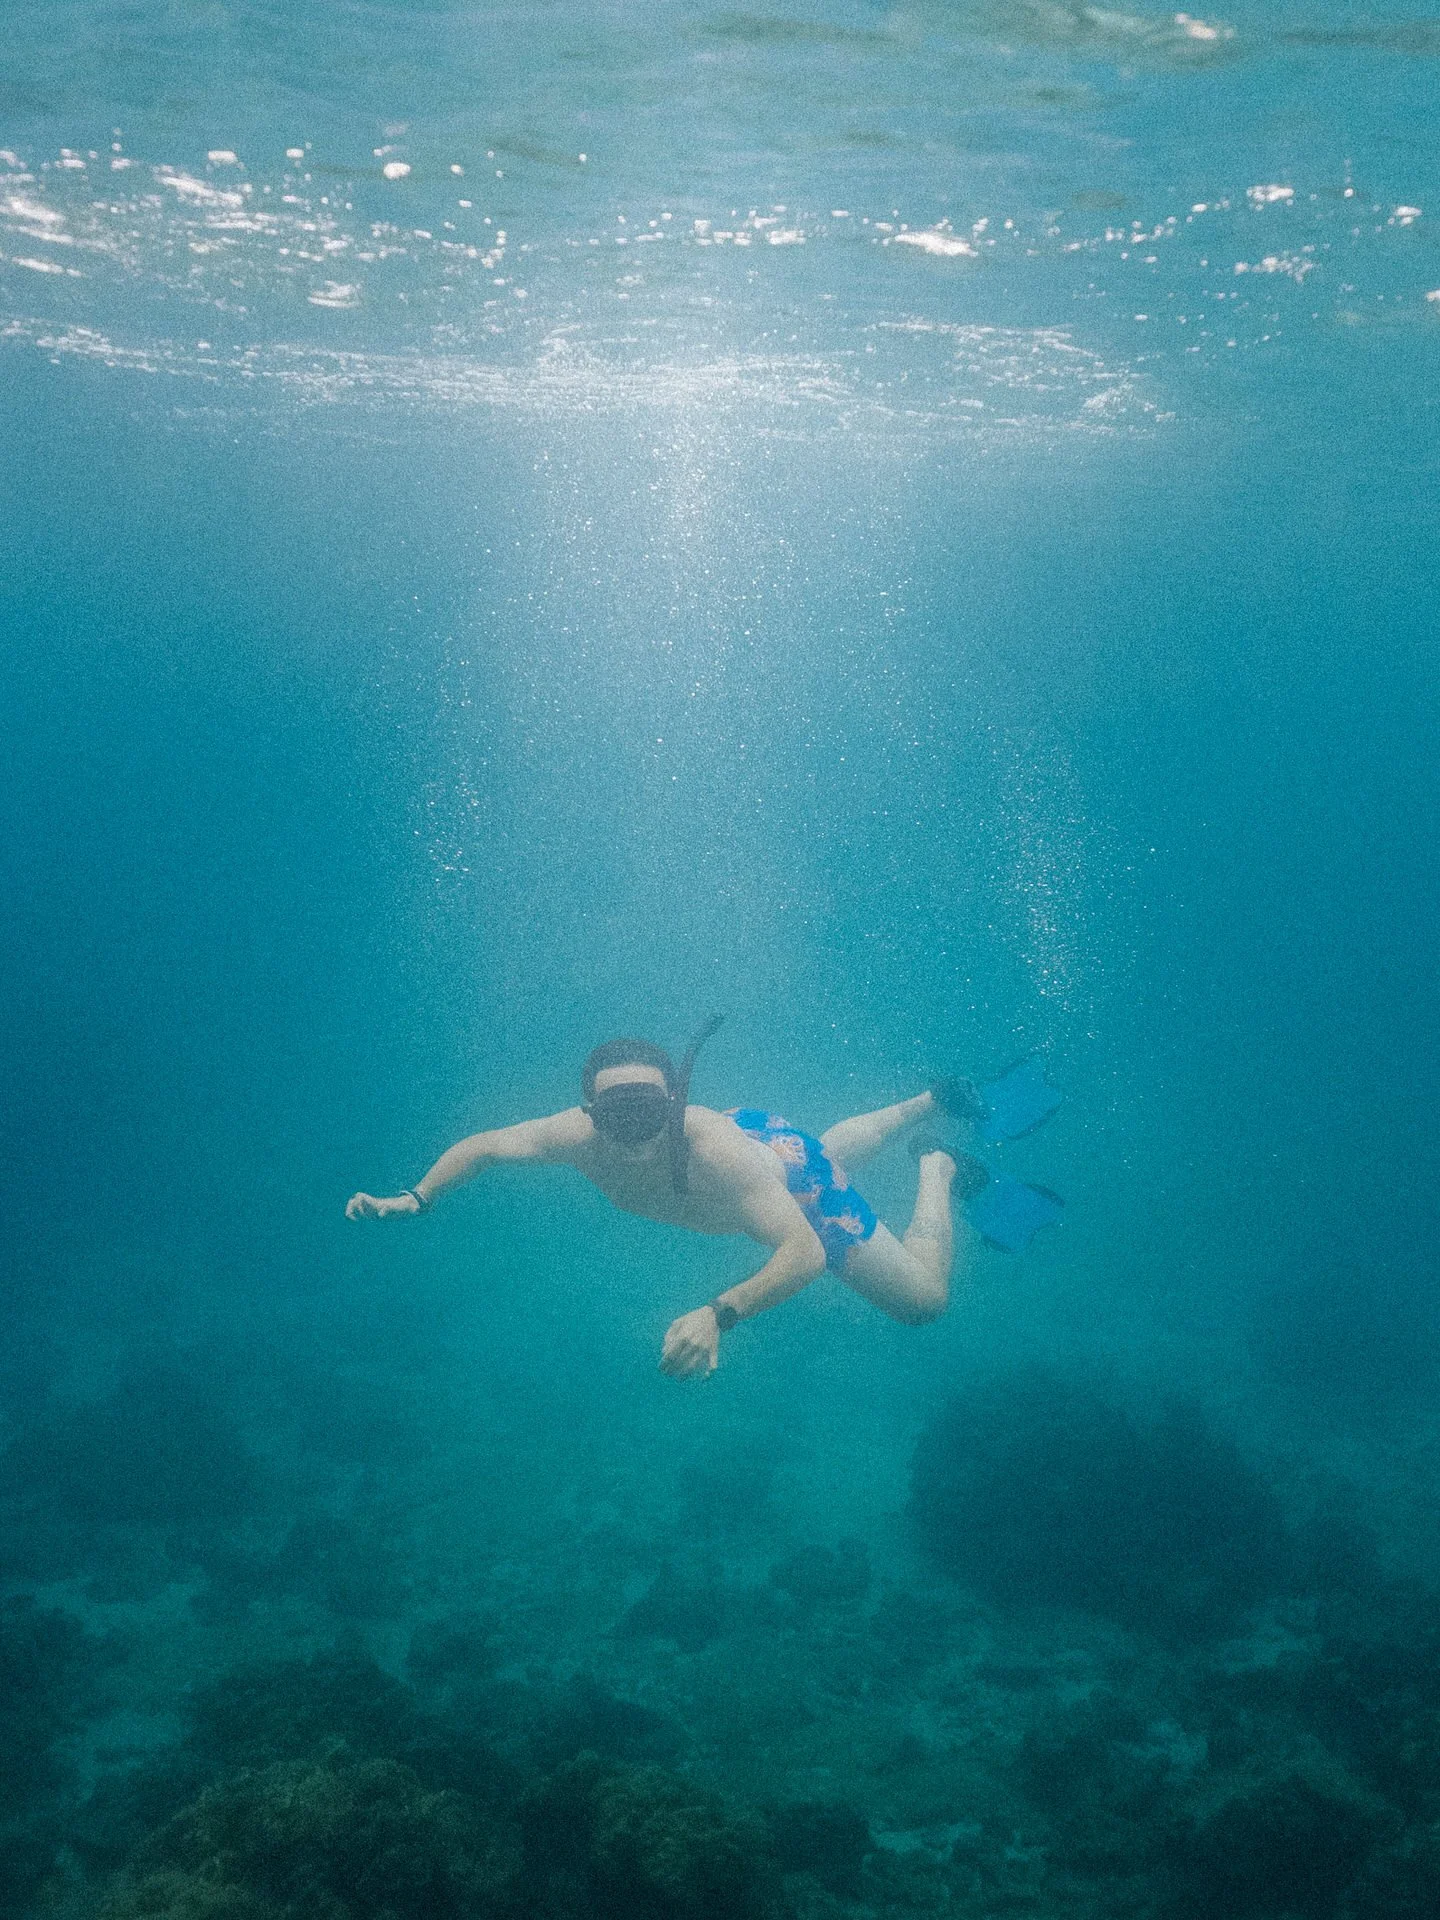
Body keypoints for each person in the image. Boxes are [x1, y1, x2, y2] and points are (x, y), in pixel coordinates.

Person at [344, 1023, 994, 1380]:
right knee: (824, 1151)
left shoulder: (711, 1150)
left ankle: (936, 1166)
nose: (633, 1133)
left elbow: (805, 1249)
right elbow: (484, 1145)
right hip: (763, 1152)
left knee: (922, 1303)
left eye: (648, 1111)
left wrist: (720, 1313)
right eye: (616, 1114)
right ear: (588, 1112)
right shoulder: (573, 1138)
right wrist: (417, 1197)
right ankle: (928, 1102)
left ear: (675, 1105)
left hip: (791, 1181)